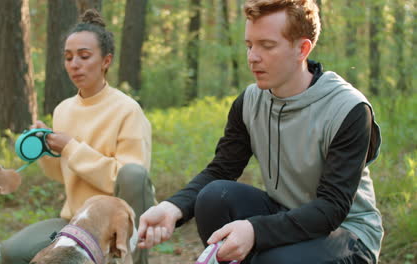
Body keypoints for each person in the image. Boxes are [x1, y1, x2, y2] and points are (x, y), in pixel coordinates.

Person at [138, 0, 383, 263]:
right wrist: (172, 207)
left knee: (272, 260)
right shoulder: (250, 101)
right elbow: (221, 170)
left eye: (267, 46)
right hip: (285, 213)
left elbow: (331, 209)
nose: (253, 56)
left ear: (302, 49)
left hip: (346, 235)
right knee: (214, 197)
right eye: (249, 45)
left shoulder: (348, 109)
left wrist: (255, 230)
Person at [1, 9, 155, 264]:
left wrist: (71, 148)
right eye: (68, 57)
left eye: (84, 56)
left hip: (117, 218)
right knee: (9, 254)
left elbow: (129, 181)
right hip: (75, 220)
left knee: (134, 174)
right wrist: (46, 147)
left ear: (106, 61)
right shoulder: (63, 109)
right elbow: (62, 174)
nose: (75, 64)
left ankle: (133, 258)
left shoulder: (127, 110)